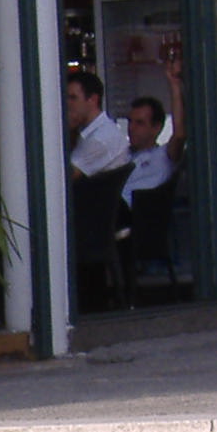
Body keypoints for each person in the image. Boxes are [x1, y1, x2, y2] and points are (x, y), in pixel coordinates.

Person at [65, 70, 131, 304]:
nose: (67, 104)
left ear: (92, 100)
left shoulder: (100, 139)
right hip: (91, 217)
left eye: (73, 97)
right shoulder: (91, 135)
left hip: (93, 223)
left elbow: (64, 178)